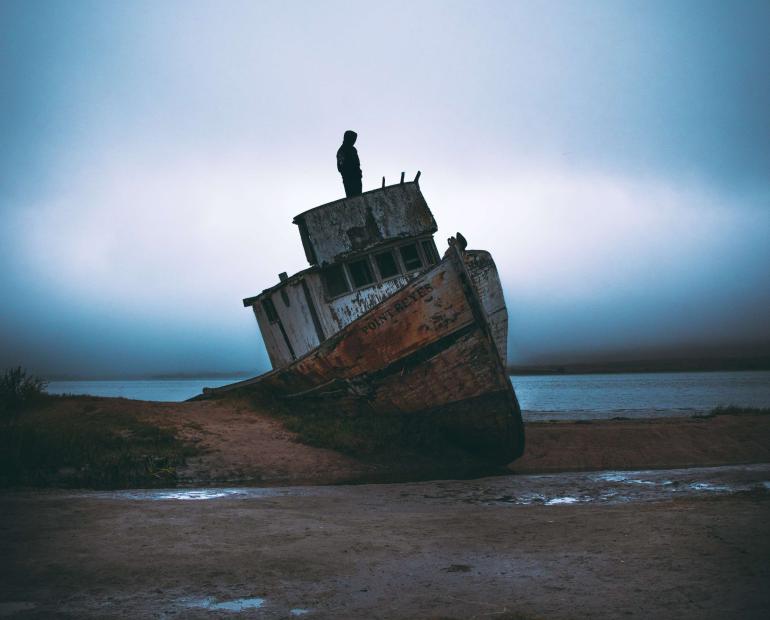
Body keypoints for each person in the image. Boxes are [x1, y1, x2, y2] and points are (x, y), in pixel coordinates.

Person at [336, 130, 362, 197]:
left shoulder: (353, 149)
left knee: (359, 196)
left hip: (357, 178)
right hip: (349, 180)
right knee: (352, 198)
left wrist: (358, 173)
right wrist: (350, 173)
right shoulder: (341, 151)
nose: (354, 141)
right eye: (353, 139)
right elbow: (340, 168)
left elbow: (357, 163)